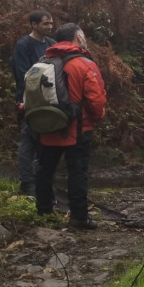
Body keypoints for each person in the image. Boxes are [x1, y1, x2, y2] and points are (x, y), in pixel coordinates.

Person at [35, 23, 106, 229]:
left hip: (47, 126)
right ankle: (79, 217)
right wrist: (98, 117)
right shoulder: (84, 63)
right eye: (82, 34)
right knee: (77, 172)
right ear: (77, 37)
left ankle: (44, 211)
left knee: (45, 170)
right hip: (77, 128)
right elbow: (96, 99)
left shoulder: (45, 61)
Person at [13, 10, 55, 196]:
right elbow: (23, 73)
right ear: (34, 24)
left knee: (45, 142)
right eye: (45, 23)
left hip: (48, 99)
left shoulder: (52, 44)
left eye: (51, 23)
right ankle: (26, 183)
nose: (49, 27)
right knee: (29, 140)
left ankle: (41, 182)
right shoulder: (24, 45)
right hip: (28, 99)